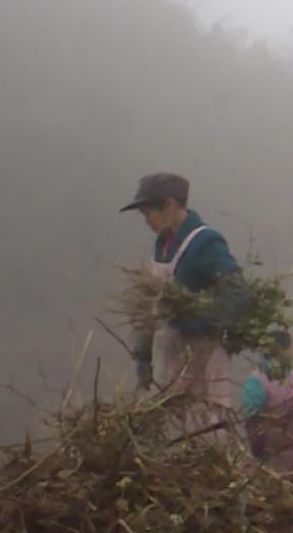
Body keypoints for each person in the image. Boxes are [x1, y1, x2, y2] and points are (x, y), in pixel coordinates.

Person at [120, 172, 253, 426]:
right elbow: (151, 304)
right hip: (169, 356)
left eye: (148, 212)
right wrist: (143, 355)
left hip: (202, 357)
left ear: (170, 205)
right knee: (167, 427)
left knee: (204, 428)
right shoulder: (161, 246)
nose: (147, 221)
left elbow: (239, 294)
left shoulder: (205, 243)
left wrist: (199, 319)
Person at [239, 330, 293, 483]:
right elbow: (252, 417)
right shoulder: (259, 381)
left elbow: (248, 414)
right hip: (271, 442)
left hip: (289, 438)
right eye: (291, 349)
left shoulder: (288, 377)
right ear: (284, 350)